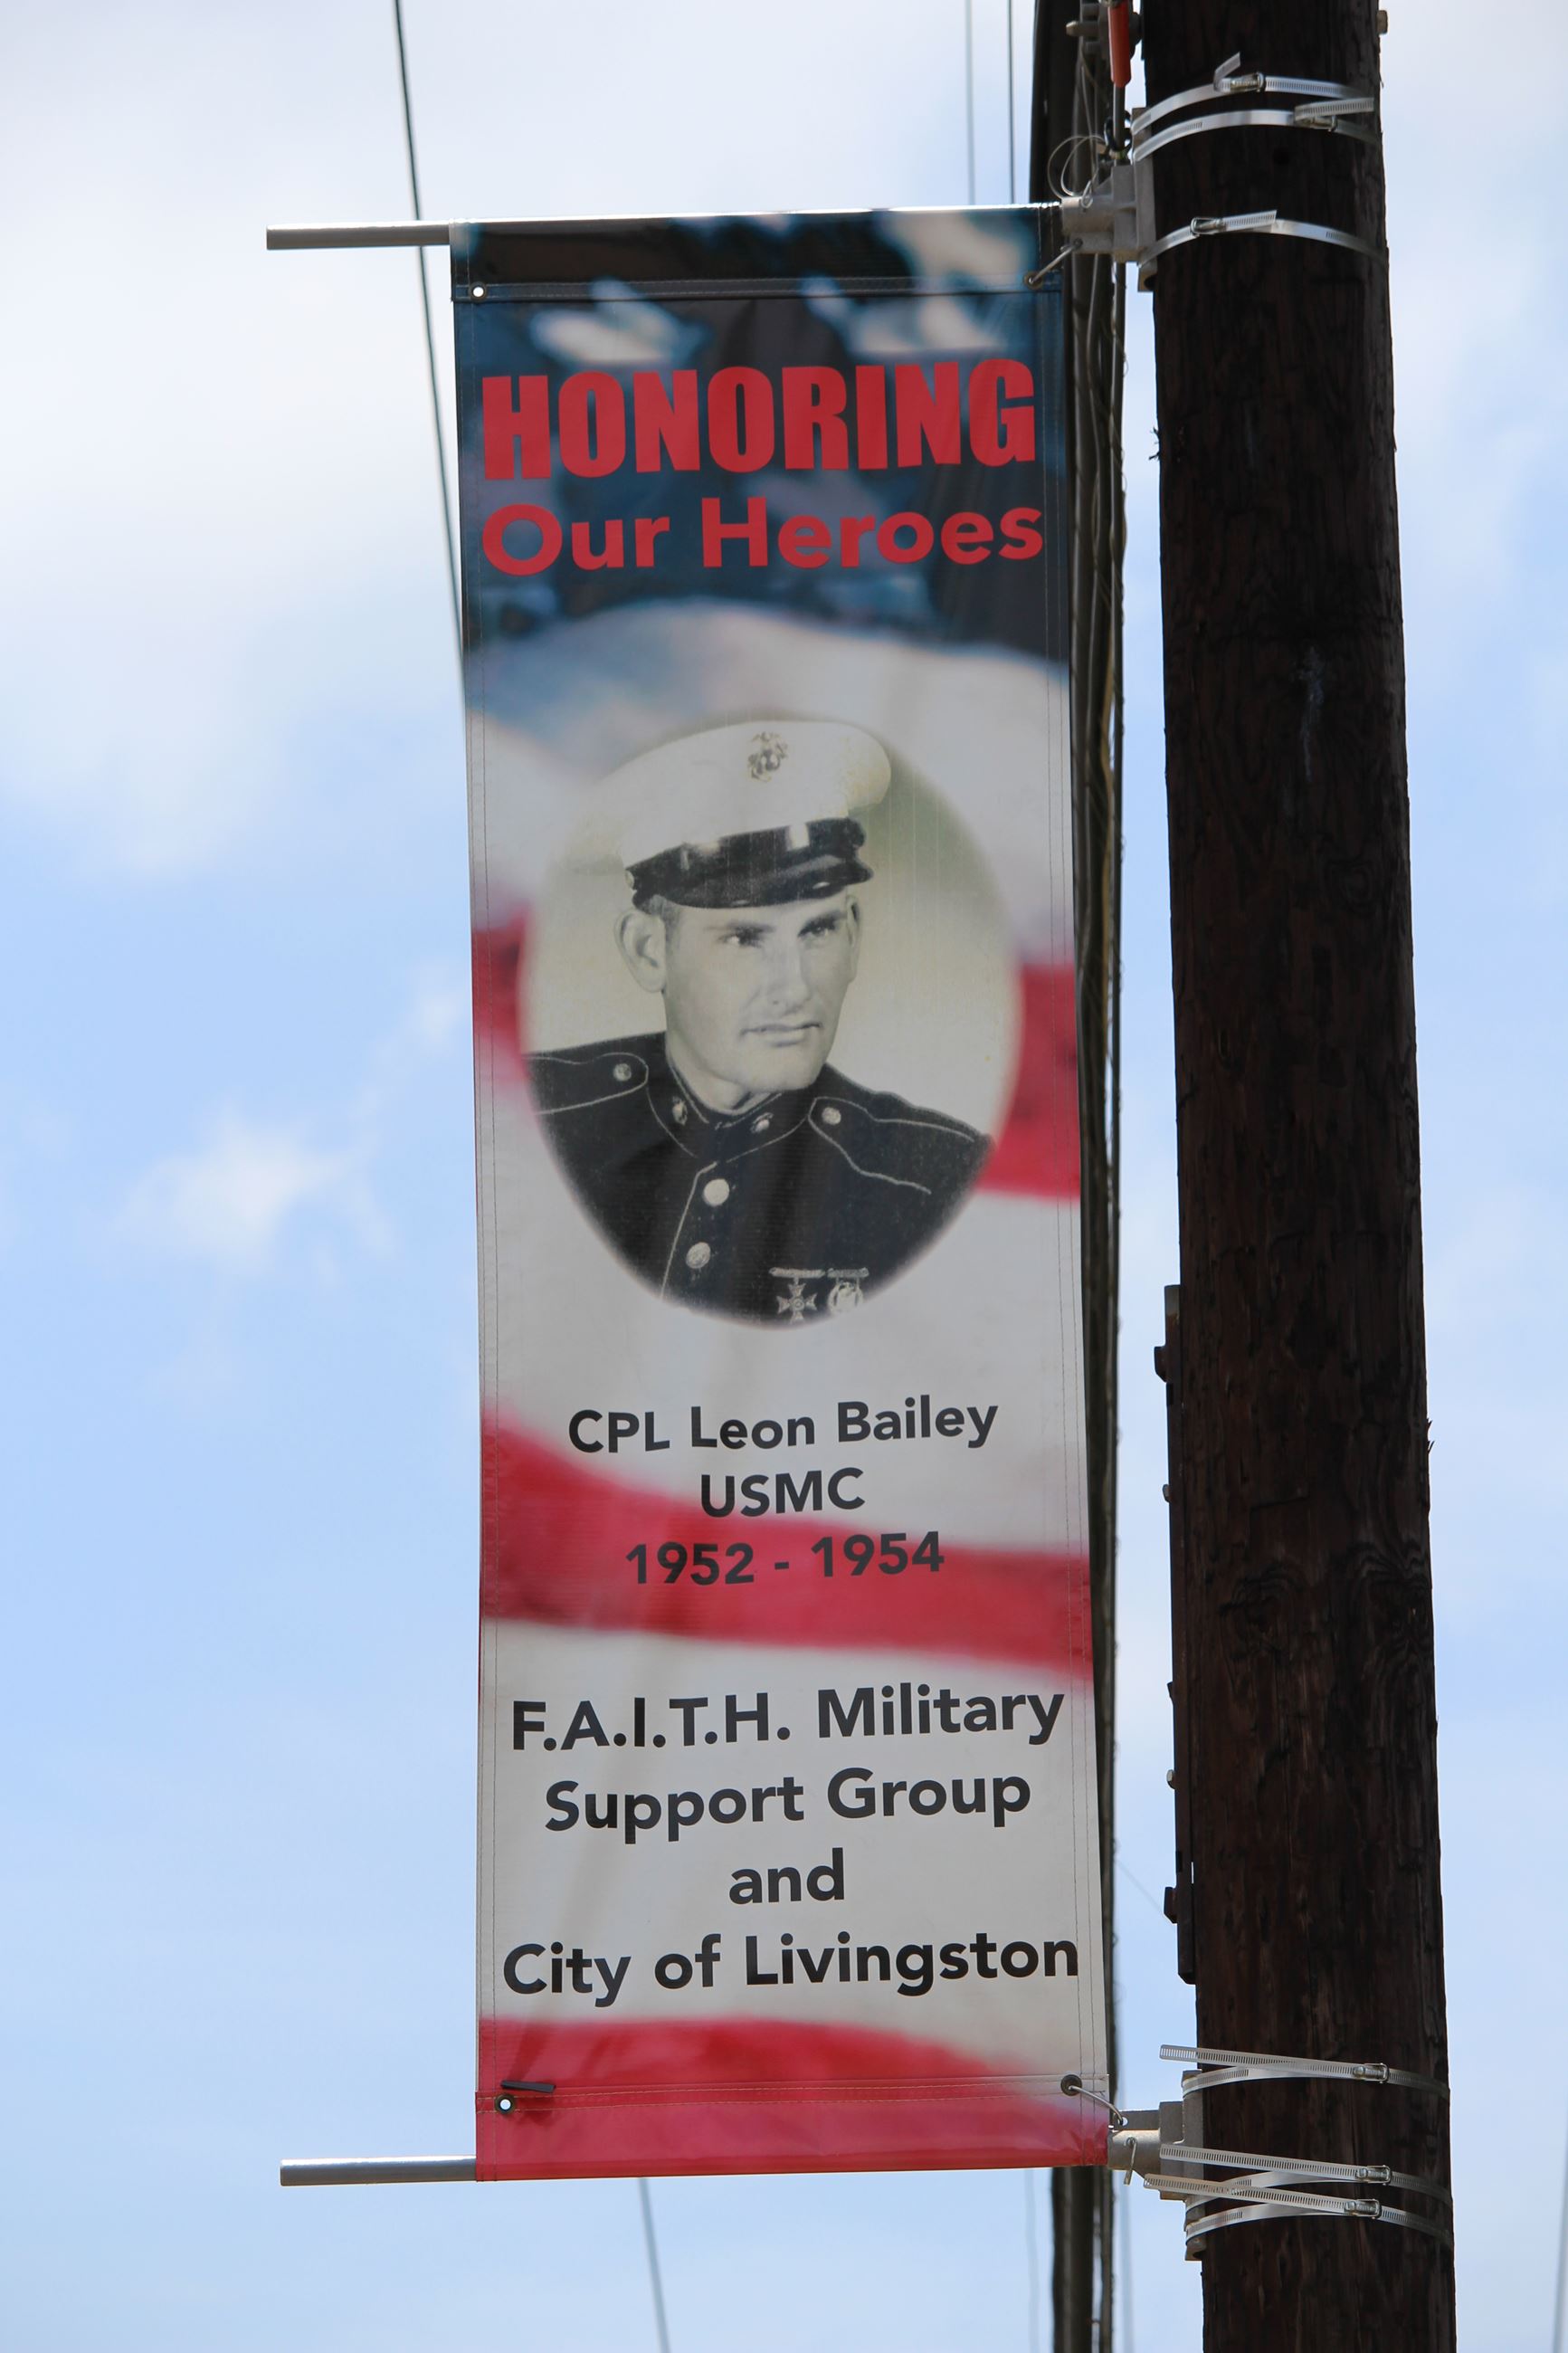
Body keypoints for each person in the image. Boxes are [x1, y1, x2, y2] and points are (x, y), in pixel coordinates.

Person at [529, 719, 990, 1323]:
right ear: (648, 951)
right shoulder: (533, 1122)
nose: (794, 987)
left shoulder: (934, 1178)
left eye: (818, 930)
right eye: (744, 939)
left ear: (854, 936)